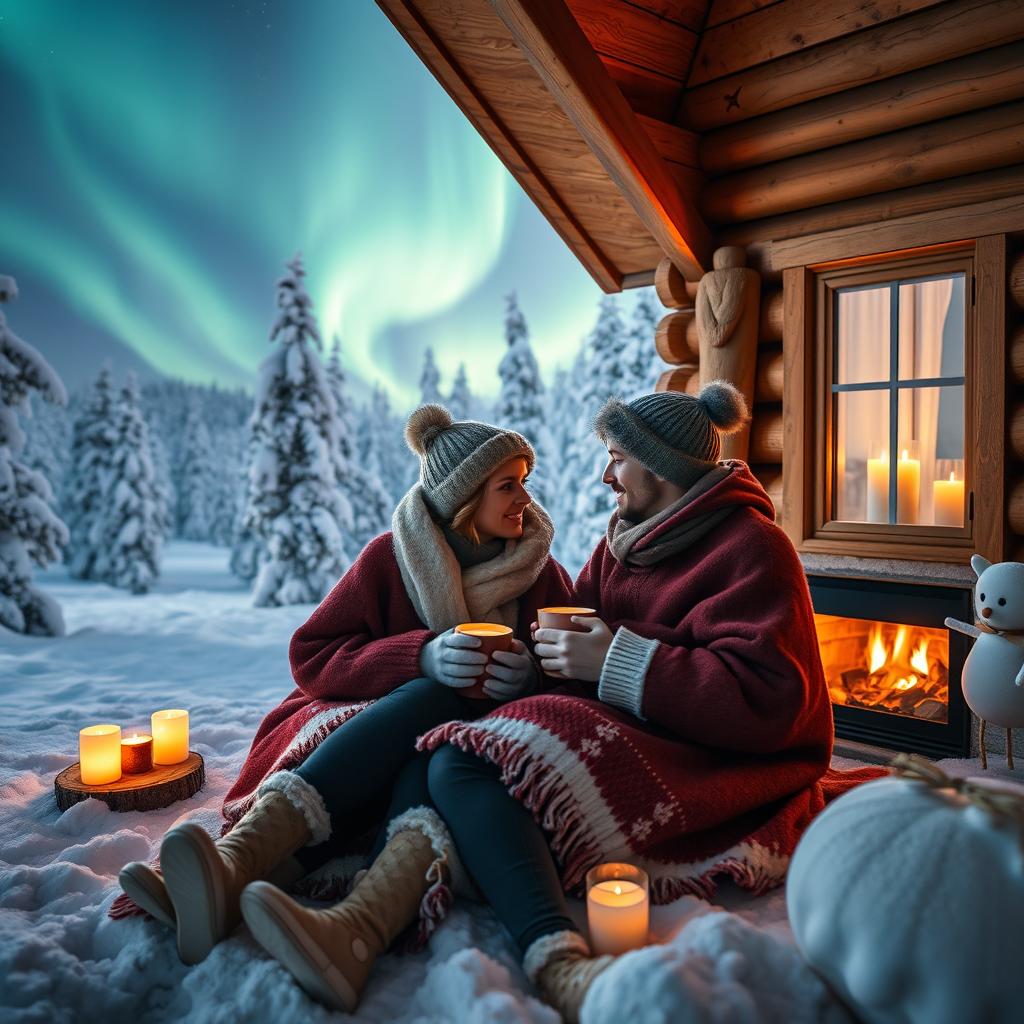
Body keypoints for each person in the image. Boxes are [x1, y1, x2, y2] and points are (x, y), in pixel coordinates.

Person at [415, 381, 884, 1023]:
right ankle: (374, 897)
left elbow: (775, 700)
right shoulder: (626, 541)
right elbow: (580, 622)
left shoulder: (752, 549)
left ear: (659, 464)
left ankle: (553, 952)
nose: (607, 473)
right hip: (631, 724)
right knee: (452, 751)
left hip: (712, 756)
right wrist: (533, 664)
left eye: (616, 455)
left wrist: (616, 660)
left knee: (463, 764)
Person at [116, 403, 574, 1010]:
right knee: (436, 700)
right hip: (387, 733)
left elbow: (571, 682)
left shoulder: (542, 575)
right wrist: (419, 657)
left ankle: (294, 891)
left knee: (440, 742)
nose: (524, 498)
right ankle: (238, 864)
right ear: (463, 498)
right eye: (507, 484)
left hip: (461, 756)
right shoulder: (390, 558)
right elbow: (311, 655)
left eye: (525, 480)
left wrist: (530, 677)